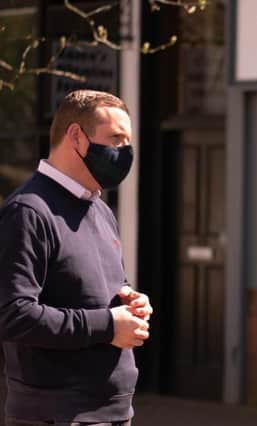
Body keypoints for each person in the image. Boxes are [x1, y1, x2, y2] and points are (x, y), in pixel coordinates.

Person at [0, 90, 153, 425]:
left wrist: (131, 302)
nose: (124, 151)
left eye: (127, 141)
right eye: (115, 138)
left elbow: (100, 289)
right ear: (75, 136)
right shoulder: (28, 212)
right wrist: (109, 324)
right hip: (60, 414)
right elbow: (13, 315)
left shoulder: (99, 209)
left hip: (113, 411)